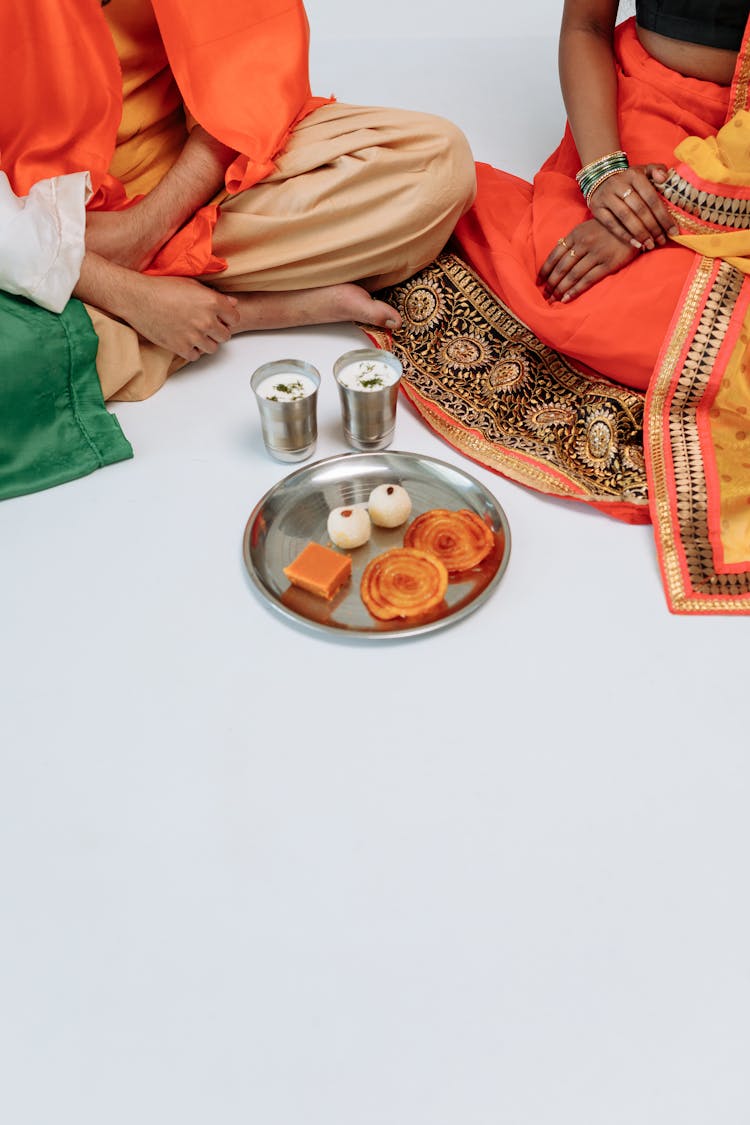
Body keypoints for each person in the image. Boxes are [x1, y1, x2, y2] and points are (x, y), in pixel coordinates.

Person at [373, 0, 750, 611]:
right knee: (577, 290)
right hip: (646, 111)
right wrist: (606, 177)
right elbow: (586, 25)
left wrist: (656, 215)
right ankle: (401, 200)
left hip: (742, 153)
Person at [0, 0, 476, 405]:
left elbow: (244, 76)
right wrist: (122, 289)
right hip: (34, 213)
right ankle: (240, 311)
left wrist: (143, 231)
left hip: (198, 180)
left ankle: (109, 299)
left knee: (433, 167)